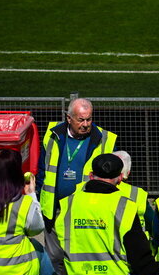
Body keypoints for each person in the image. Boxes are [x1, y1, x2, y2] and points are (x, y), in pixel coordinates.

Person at [49, 154, 159, 275]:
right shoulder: (124, 207)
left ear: (90, 176)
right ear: (120, 178)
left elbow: (58, 253)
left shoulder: (68, 204)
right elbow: (140, 259)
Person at [37, 98, 117, 232]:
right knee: (54, 252)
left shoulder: (104, 140)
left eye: (89, 119)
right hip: (54, 211)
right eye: (81, 120)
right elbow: (42, 170)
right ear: (69, 118)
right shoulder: (52, 135)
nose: (85, 124)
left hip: (88, 213)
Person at [112, 150, 149, 238]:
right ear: (128, 173)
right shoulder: (139, 193)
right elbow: (150, 221)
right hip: (136, 245)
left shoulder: (93, 190)